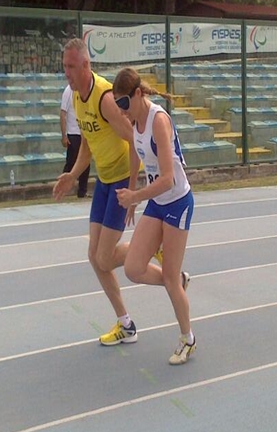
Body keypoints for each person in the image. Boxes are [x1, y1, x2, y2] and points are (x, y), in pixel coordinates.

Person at [53, 38, 140, 347]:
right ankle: (125, 323)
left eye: (72, 67)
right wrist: (72, 175)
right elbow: (88, 145)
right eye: (65, 67)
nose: (67, 73)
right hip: (103, 181)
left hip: (119, 183)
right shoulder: (77, 97)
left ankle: (147, 243)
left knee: (104, 258)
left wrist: (132, 190)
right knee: (94, 257)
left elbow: (136, 141)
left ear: (86, 66)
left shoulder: (104, 98)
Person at [114, 67, 195, 366]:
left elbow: (167, 180)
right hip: (156, 203)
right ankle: (178, 281)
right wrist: (133, 190)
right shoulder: (134, 120)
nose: (122, 111)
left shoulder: (159, 120)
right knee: (133, 268)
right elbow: (136, 151)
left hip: (176, 202)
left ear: (137, 94)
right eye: (117, 104)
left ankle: (188, 338)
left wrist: (135, 197)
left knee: (170, 279)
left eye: (124, 104)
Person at [60, 83, 90, 198]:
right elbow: (63, 113)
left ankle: (82, 190)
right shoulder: (69, 91)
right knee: (72, 162)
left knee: (85, 163)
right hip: (73, 133)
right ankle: (62, 187)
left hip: (82, 132)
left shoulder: (83, 91)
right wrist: (64, 135)